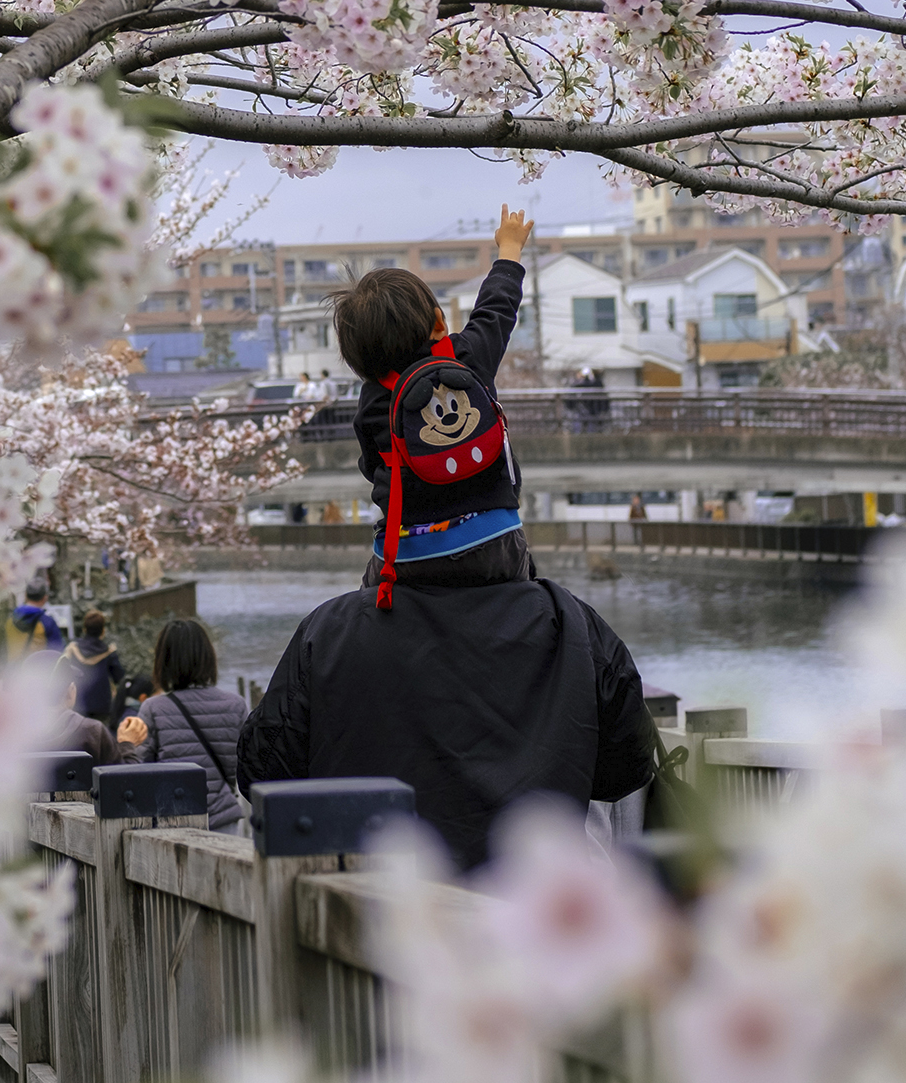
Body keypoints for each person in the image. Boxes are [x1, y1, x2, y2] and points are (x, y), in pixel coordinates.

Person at [237, 206, 654, 870]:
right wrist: (508, 252)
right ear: (438, 325)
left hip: (404, 563)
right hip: (499, 546)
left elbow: (263, 772)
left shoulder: (328, 637)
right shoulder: (576, 632)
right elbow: (628, 766)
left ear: (358, 361)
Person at [115, 616, 248, 831]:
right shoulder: (237, 705)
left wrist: (126, 744)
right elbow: (241, 770)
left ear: (163, 661)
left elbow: (134, 776)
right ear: (208, 656)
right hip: (224, 822)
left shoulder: (153, 708)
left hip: (174, 824)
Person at [57, 607, 124, 722]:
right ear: (103, 630)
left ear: (84, 629)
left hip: (76, 703)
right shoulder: (108, 652)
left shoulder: (72, 649)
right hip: (101, 706)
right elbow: (119, 677)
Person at [4, 573, 64, 659]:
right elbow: (57, 652)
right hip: (37, 671)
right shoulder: (47, 623)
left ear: (25, 595)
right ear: (45, 597)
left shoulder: (9, 621)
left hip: (14, 671)